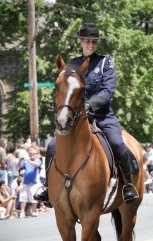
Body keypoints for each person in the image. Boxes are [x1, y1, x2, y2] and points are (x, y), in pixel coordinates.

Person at [36, 22, 139, 204]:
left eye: (94, 42)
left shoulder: (105, 62)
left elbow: (108, 91)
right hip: (77, 118)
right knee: (52, 146)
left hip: (103, 116)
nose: (90, 44)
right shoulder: (73, 65)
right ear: (81, 42)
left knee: (117, 143)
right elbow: (67, 90)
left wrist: (90, 104)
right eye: (87, 41)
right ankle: (48, 188)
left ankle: (128, 185)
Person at [18, 146, 42, 218]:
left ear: (37, 154)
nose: (32, 154)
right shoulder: (25, 161)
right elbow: (19, 167)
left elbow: (37, 165)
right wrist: (20, 160)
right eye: (30, 153)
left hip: (34, 182)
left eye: (33, 153)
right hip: (25, 181)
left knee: (34, 197)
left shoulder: (38, 160)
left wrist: (27, 160)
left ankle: (33, 211)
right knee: (23, 197)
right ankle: (22, 212)